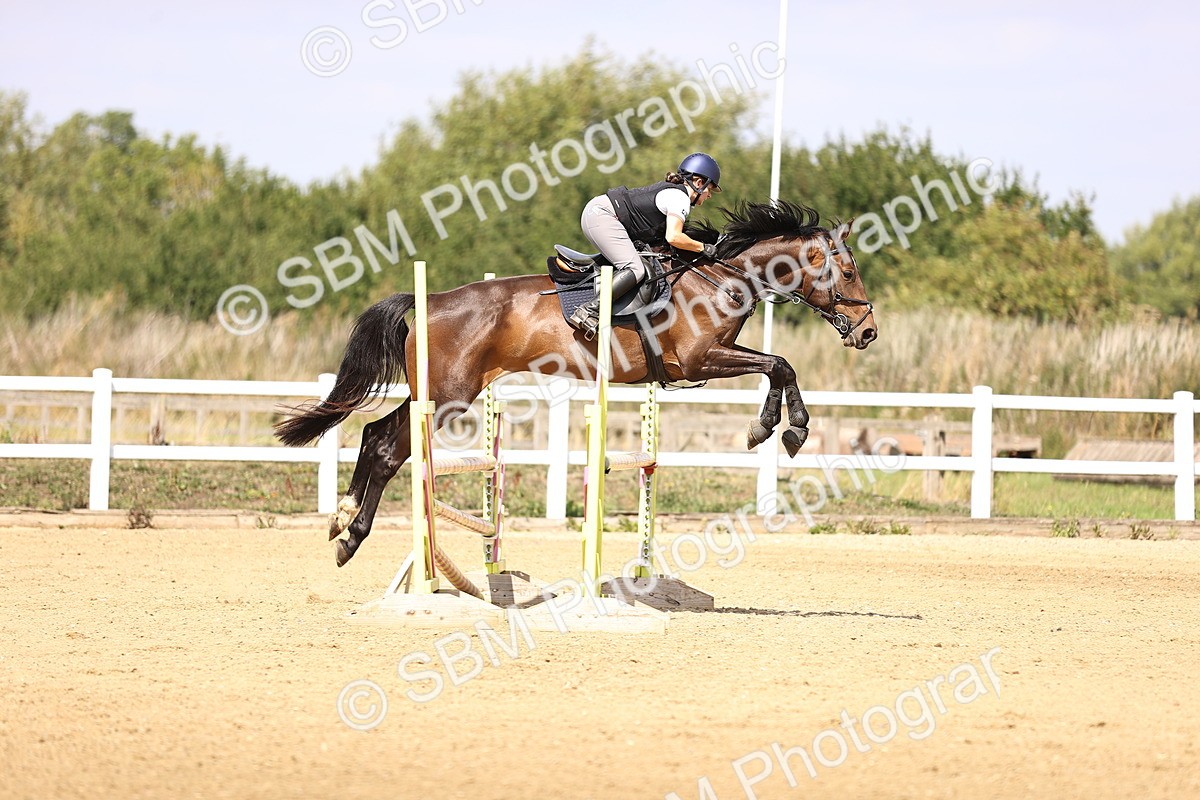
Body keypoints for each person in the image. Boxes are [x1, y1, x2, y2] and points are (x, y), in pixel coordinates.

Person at [568, 152, 722, 338]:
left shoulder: (675, 193)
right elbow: (674, 237)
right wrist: (703, 248)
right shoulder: (680, 198)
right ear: (699, 183)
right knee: (636, 269)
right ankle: (588, 310)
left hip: (601, 213)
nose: (709, 195)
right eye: (709, 190)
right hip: (602, 215)